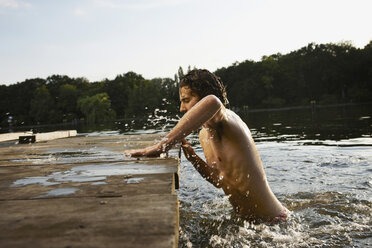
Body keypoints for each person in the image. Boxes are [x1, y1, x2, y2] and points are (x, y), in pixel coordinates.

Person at [125, 69, 288, 222]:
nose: (182, 108)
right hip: (247, 223)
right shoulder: (204, 135)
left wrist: (162, 145)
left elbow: (213, 102)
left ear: (204, 98)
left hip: (274, 220)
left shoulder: (228, 120)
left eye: (186, 101)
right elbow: (218, 180)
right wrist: (192, 156)